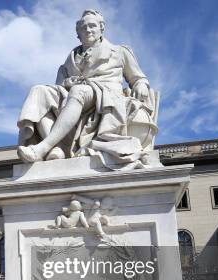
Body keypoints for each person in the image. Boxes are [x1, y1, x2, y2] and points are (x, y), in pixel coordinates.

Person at [16, 10, 155, 169]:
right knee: (39, 91)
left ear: (101, 28)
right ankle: (58, 148)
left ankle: (42, 148)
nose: (88, 30)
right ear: (78, 34)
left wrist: (141, 85)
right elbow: (58, 87)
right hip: (74, 97)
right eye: (84, 28)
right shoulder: (70, 60)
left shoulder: (120, 51)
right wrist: (68, 82)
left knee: (79, 91)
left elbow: (138, 78)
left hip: (105, 94)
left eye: (92, 26)